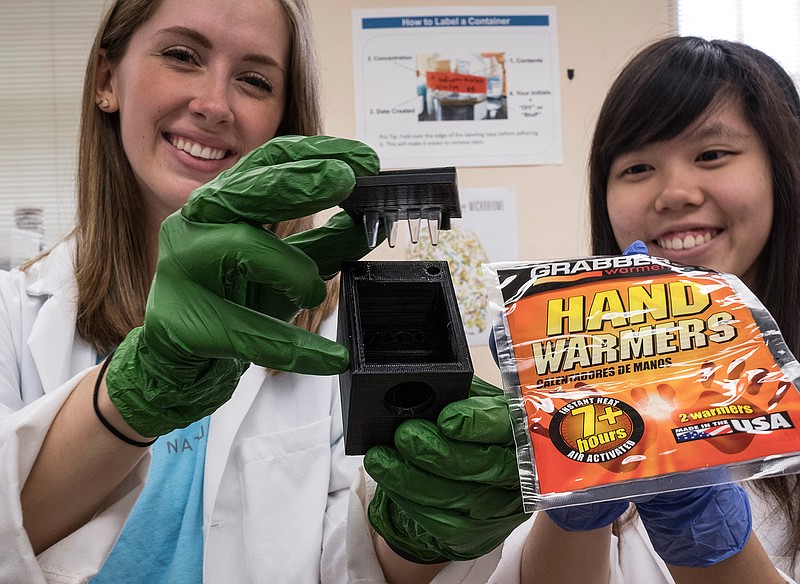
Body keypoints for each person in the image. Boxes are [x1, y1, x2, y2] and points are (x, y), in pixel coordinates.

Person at [0, 0, 528, 582]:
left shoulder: (330, 332)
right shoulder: (11, 316)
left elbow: (357, 565)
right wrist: (134, 394)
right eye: (181, 55)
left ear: (282, 117)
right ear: (107, 80)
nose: (214, 104)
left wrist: (426, 529)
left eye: (254, 79)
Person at [481, 36, 800, 583]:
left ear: (784, 167)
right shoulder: (583, 368)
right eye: (636, 168)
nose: (674, 193)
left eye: (711, 155)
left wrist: (707, 538)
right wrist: (574, 492)